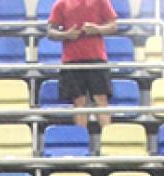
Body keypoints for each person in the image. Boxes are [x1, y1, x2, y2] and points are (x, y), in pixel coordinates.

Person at [44, 0, 117, 135]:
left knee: (101, 100)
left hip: (97, 58)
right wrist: (66, 35)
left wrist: (97, 29)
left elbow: (113, 25)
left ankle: (109, 141)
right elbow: (50, 31)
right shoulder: (61, 3)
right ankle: (82, 142)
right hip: (72, 60)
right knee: (79, 102)